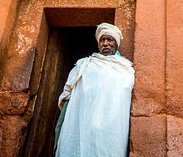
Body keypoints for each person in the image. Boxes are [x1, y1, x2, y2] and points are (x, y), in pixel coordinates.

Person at [54, 23, 134, 157]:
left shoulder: (126, 69)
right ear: (98, 43)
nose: (106, 43)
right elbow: (68, 95)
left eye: (110, 39)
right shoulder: (83, 65)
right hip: (80, 124)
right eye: (102, 40)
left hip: (110, 129)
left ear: (116, 43)